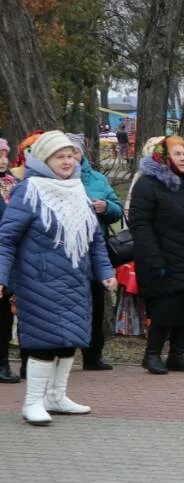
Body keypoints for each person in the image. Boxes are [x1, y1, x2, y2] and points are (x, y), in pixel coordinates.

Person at [0, 131, 117, 425]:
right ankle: (33, 402)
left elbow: (94, 240)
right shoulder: (28, 191)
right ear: (44, 160)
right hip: (39, 281)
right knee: (44, 343)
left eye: (70, 156)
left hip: (76, 280)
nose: (67, 161)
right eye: (59, 157)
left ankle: (57, 397)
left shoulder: (78, 189)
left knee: (69, 341)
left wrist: (105, 272)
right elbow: (6, 239)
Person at [129, 136, 184, 375]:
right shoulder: (148, 185)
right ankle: (152, 354)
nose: (183, 158)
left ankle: (177, 354)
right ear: (162, 156)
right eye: (177, 154)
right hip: (163, 259)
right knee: (166, 308)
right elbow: (140, 225)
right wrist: (154, 259)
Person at [68, 134, 124, 371]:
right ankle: (63, 354)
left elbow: (117, 210)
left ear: (83, 153)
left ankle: (93, 356)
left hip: (94, 252)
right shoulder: (52, 180)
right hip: (65, 254)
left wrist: (106, 207)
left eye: (74, 152)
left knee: (96, 305)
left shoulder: (98, 179)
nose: (70, 158)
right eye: (65, 154)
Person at [0, 140, 17, 385]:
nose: (3, 160)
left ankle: (3, 361)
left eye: (5, 154)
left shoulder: (14, 183)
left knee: (4, 312)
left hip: (8, 256)